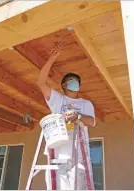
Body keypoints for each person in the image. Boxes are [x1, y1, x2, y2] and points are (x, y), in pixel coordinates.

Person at [37, 41, 96, 190]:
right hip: (57, 156)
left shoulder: (85, 104)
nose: (75, 84)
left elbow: (91, 121)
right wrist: (52, 58)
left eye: (77, 82)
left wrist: (77, 116)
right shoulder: (58, 99)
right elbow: (41, 82)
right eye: (72, 81)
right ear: (64, 85)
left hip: (79, 156)